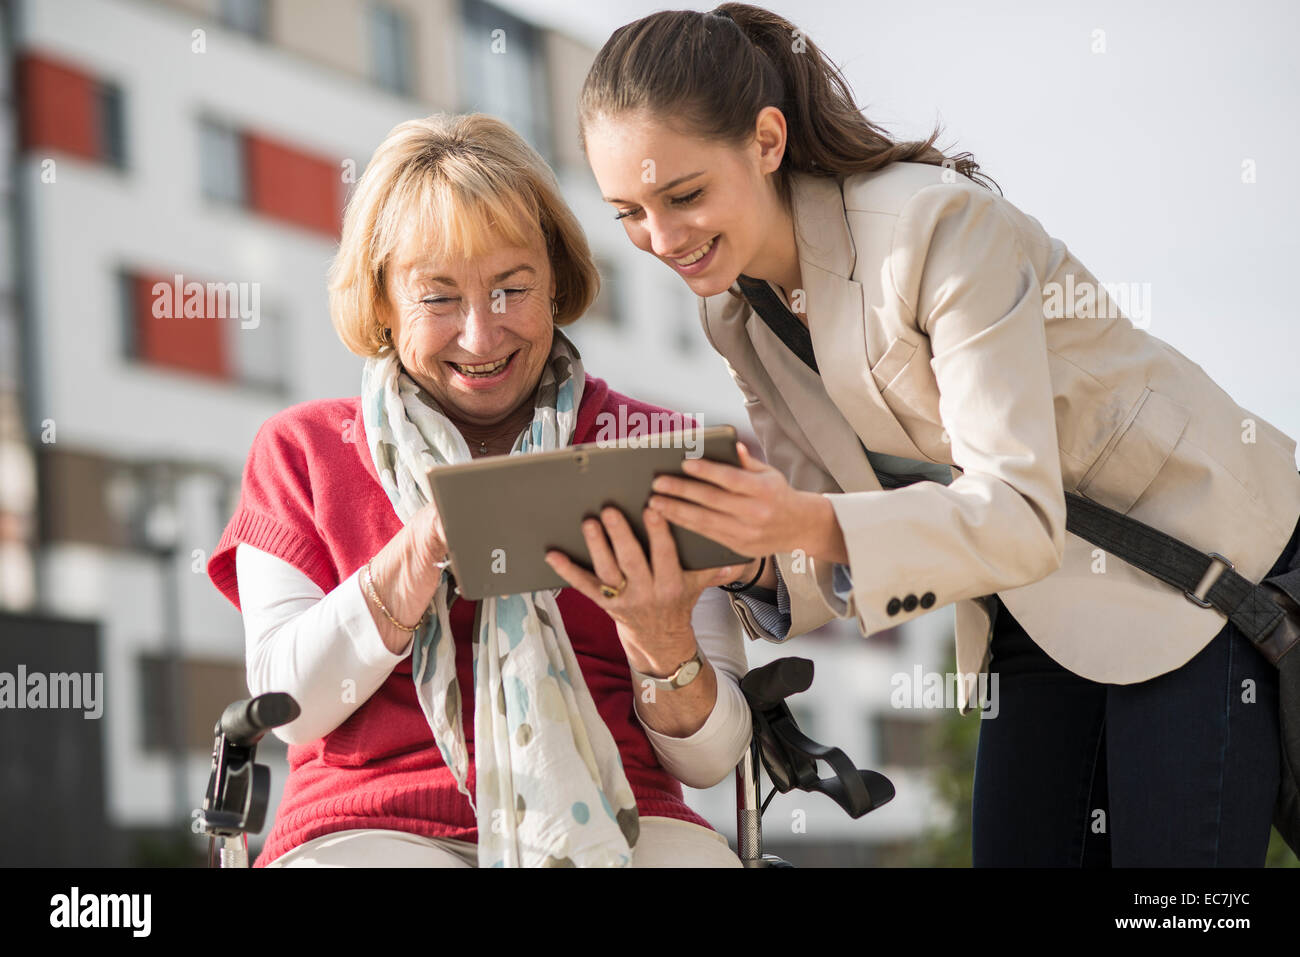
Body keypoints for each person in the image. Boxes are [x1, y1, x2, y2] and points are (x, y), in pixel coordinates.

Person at [575, 2, 1300, 866]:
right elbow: (837, 529)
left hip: (1194, 580)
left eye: (684, 195)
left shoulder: (935, 228)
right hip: (1024, 608)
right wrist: (749, 557)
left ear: (766, 141)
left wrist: (796, 523)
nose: (661, 238)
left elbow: (1018, 512)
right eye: (628, 213)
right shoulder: (738, 315)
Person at [206, 112, 753, 868]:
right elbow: (290, 706)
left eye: (510, 287)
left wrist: (662, 642)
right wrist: (426, 546)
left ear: (555, 280)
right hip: (371, 824)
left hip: (619, 818)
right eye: (438, 298)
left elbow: (712, 757)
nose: (480, 333)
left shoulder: (656, 450)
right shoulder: (301, 450)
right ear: (382, 305)